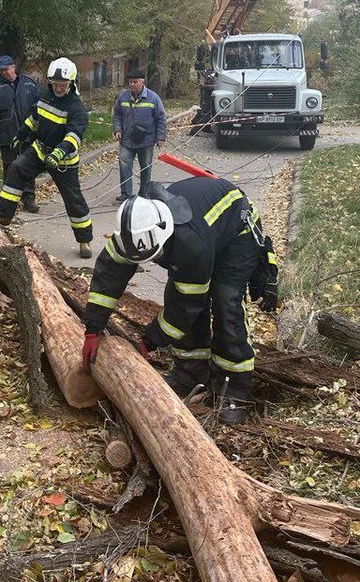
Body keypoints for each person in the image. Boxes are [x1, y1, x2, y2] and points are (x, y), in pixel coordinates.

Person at [79, 177, 279, 426]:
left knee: (225, 303)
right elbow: (107, 279)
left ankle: (234, 389)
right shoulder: (133, 230)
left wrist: (147, 342)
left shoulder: (189, 244)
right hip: (203, 232)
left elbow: (184, 310)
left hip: (236, 233)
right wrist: (93, 329)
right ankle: (191, 373)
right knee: (182, 292)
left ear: (164, 234)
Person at [0, 57, 94, 258]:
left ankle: (84, 240)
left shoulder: (75, 107)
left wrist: (60, 151)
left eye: (63, 84)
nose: (59, 88)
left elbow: (74, 135)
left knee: (73, 199)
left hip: (63, 160)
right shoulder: (46, 95)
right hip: (41, 149)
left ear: (71, 83)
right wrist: (21, 133)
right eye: (55, 84)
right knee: (16, 168)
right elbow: (35, 118)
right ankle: (3, 214)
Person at [0, 55, 42, 213]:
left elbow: (40, 101)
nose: (4, 73)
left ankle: (29, 199)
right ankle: (9, 204)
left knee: (28, 167)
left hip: (27, 134)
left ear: (13, 67)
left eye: (6, 69)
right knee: (9, 169)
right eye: (1, 70)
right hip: (6, 135)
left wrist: (36, 110)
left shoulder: (28, 82)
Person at [113, 69, 167, 203]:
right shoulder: (123, 97)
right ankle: (126, 195)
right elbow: (117, 115)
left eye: (135, 82)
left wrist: (160, 137)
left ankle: (143, 194)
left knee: (146, 167)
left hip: (146, 140)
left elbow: (161, 118)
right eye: (130, 82)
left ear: (142, 82)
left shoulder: (153, 98)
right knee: (124, 165)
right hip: (127, 140)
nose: (132, 85)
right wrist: (117, 129)